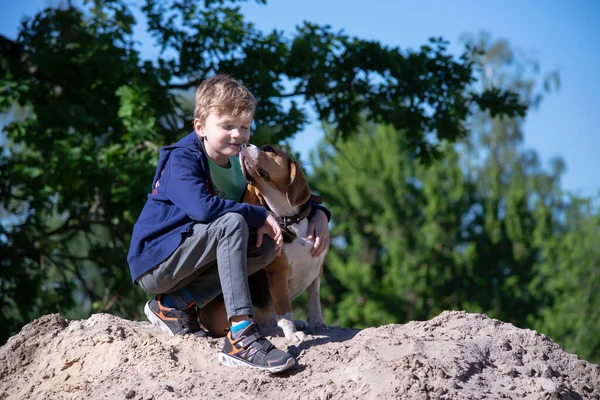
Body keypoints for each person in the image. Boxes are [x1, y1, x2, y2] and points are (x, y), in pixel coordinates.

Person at [126, 74, 331, 373]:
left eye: (245, 127)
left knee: (264, 248)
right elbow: (205, 209)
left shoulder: (238, 163)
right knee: (233, 222)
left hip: (191, 256)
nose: (238, 135)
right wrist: (259, 216)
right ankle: (241, 336)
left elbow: (277, 197)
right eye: (227, 127)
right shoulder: (181, 160)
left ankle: (172, 305)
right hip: (158, 261)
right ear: (200, 128)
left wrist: (319, 213)